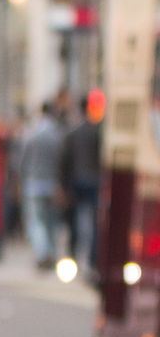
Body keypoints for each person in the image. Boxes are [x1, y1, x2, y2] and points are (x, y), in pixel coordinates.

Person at [16, 101, 65, 270]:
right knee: (52, 222)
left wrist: (20, 181)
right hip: (53, 184)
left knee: (36, 222)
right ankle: (53, 254)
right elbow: (63, 162)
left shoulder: (31, 134)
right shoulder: (58, 135)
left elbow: (22, 161)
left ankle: (42, 254)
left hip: (33, 184)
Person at [59, 102, 103, 276]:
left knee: (74, 221)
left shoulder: (72, 133)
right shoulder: (98, 133)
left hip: (75, 182)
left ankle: (73, 256)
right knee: (94, 222)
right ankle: (92, 260)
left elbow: (64, 161)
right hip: (94, 181)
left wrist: (63, 185)